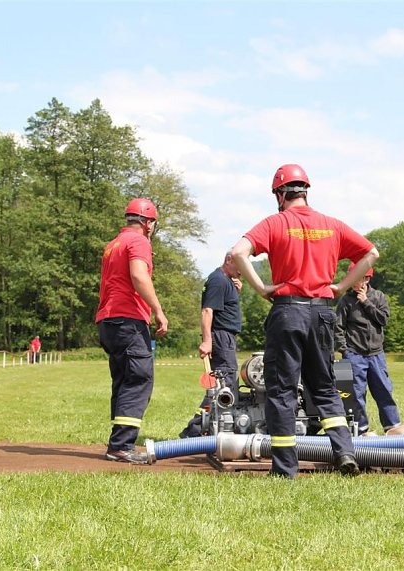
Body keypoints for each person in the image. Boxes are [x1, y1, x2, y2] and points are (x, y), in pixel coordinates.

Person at [230, 163, 379, 478]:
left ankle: (285, 469)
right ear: (306, 191)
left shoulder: (276, 222)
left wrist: (260, 288)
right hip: (323, 312)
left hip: (288, 310)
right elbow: (371, 253)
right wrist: (340, 286)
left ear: (280, 194)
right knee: (325, 386)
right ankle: (345, 453)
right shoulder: (331, 224)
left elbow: (239, 252)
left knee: (282, 389)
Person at [95, 198, 168, 464]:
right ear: (148, 223)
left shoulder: (113, 244)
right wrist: (158, 310)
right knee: (139, 379)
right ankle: (121, 446)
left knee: (124, 379)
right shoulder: (139, 242)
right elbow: (138, 275)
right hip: (128, 319)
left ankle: (118, 443)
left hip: (108, 321)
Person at [179, 252, 243, 438]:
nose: (242, 271)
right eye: (240, 266)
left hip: (226, 337)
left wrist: (236, 292)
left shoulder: (226, 281)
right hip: (221, 338)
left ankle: (209, 428)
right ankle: (195, 431)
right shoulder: (218, 280)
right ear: (229, 260)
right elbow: (207, 311)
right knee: (224, 385)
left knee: (225, 384)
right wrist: (207, 341)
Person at [334, 263, 401, 435]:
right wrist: (344, 350)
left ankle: (392, 427)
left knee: (384, 390)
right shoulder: (346, 301)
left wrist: (366, 302)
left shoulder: (378, 296)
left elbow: (383, 319)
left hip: (376, 354)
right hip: (354, 354)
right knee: (355, 395)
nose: (353, 281)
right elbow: (337, 328)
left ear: (366, 278)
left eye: (357, 277)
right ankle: (361, 429)